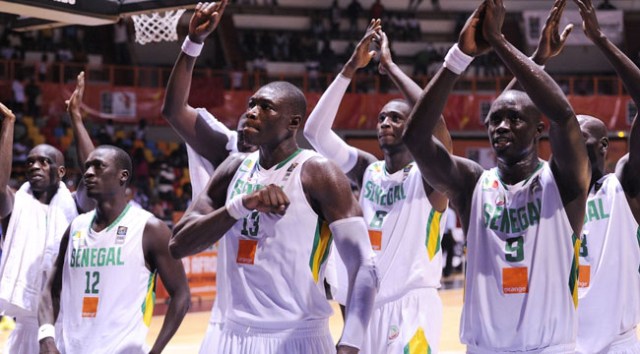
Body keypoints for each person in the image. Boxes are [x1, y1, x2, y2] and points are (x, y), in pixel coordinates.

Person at [170, 6, 377, 354]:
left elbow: (364, 265)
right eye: (251, 103)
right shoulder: (233, 168)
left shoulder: (319, 172)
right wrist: (240, 206)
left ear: (293, 123)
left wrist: (352, 342)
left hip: (296, 336)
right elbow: (179, 245)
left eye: (265, 107)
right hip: (228, 335)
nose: (251, 110)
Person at [403, 0, 589, 352]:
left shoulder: (563, 182)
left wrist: (498, 40)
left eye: (514, 119)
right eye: (494, 120)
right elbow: (415, 138)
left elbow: (564, 116)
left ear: (538, 129)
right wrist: (459, 55)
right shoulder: (473, 184)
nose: (501, 126)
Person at [303, 19, 452, 353]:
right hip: (365, 305)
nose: (385, 122)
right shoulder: (368, 170)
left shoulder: (429, 177)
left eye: (396, 117)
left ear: (414, 126)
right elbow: (314, 133)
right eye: (382, 117)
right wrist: (349, 68)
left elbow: (438, 123)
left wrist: (390, 67)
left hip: (412, 305)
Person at [37, 145, 191, 354]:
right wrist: (46, 337)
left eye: (98, 166)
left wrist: (156, 351)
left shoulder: (149, 229)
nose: (89, 173)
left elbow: (181, 295)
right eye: (87, 166)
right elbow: (50, 290)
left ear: (122, 176)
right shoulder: (75, 227)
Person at [0, 73, 95, 354]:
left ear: (61, 171)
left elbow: (93, 172)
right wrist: (8, 125)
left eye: (44, 161)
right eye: (30, 161)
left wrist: (76, 117)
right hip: (27, 328)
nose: (35, 166)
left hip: (69, 326)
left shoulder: (76, 205)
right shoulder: (15, 205)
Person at [572, 0, 640, 352]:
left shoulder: (623, 184)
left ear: (602, 147)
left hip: (616, 343)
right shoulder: (553, 193)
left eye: (580, 140)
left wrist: (599, 39)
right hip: (561, 342)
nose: (571, 148)